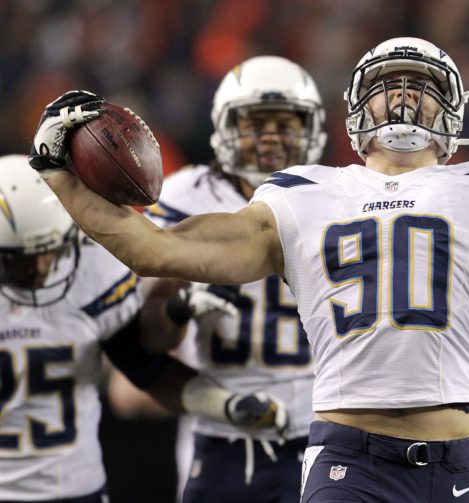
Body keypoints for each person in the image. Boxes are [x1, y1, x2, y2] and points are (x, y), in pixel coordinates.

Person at [27, 36, 469, 503]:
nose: (401, 100)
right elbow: (155, 248)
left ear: (452, 114)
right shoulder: (301, 192)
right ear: (354, 112)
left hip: (460, 463)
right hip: (347, 460)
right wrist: (59, 175)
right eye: (388, 88)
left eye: (419, 89)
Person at [0, 155, 272, 502]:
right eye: (22, 258)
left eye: (50, 250)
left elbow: (146, 368)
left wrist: (226, 405)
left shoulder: (89, 272)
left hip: (75, 490)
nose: (41, 268)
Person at [140, 55, 326, 503]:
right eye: (255, 123)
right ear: (225, 127)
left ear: (312, 129)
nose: (271, 139)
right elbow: (146, 337)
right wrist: (179, 307)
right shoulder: (184, 198)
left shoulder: (336, 196)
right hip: (222, 430)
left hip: (318, 431)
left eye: (286, 124)